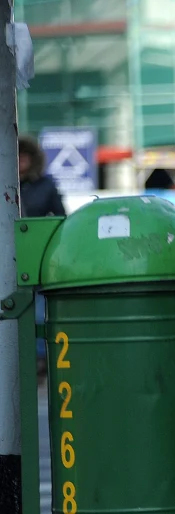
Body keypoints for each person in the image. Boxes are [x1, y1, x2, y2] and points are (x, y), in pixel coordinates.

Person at [18, 135, 66, 375]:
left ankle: (39, 360)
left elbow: (60, 218)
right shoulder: (7, 184)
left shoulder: (46, 185)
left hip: (37, 257)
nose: (19, 162)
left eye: (23, 156)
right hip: (9, 257)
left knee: (37, 312)